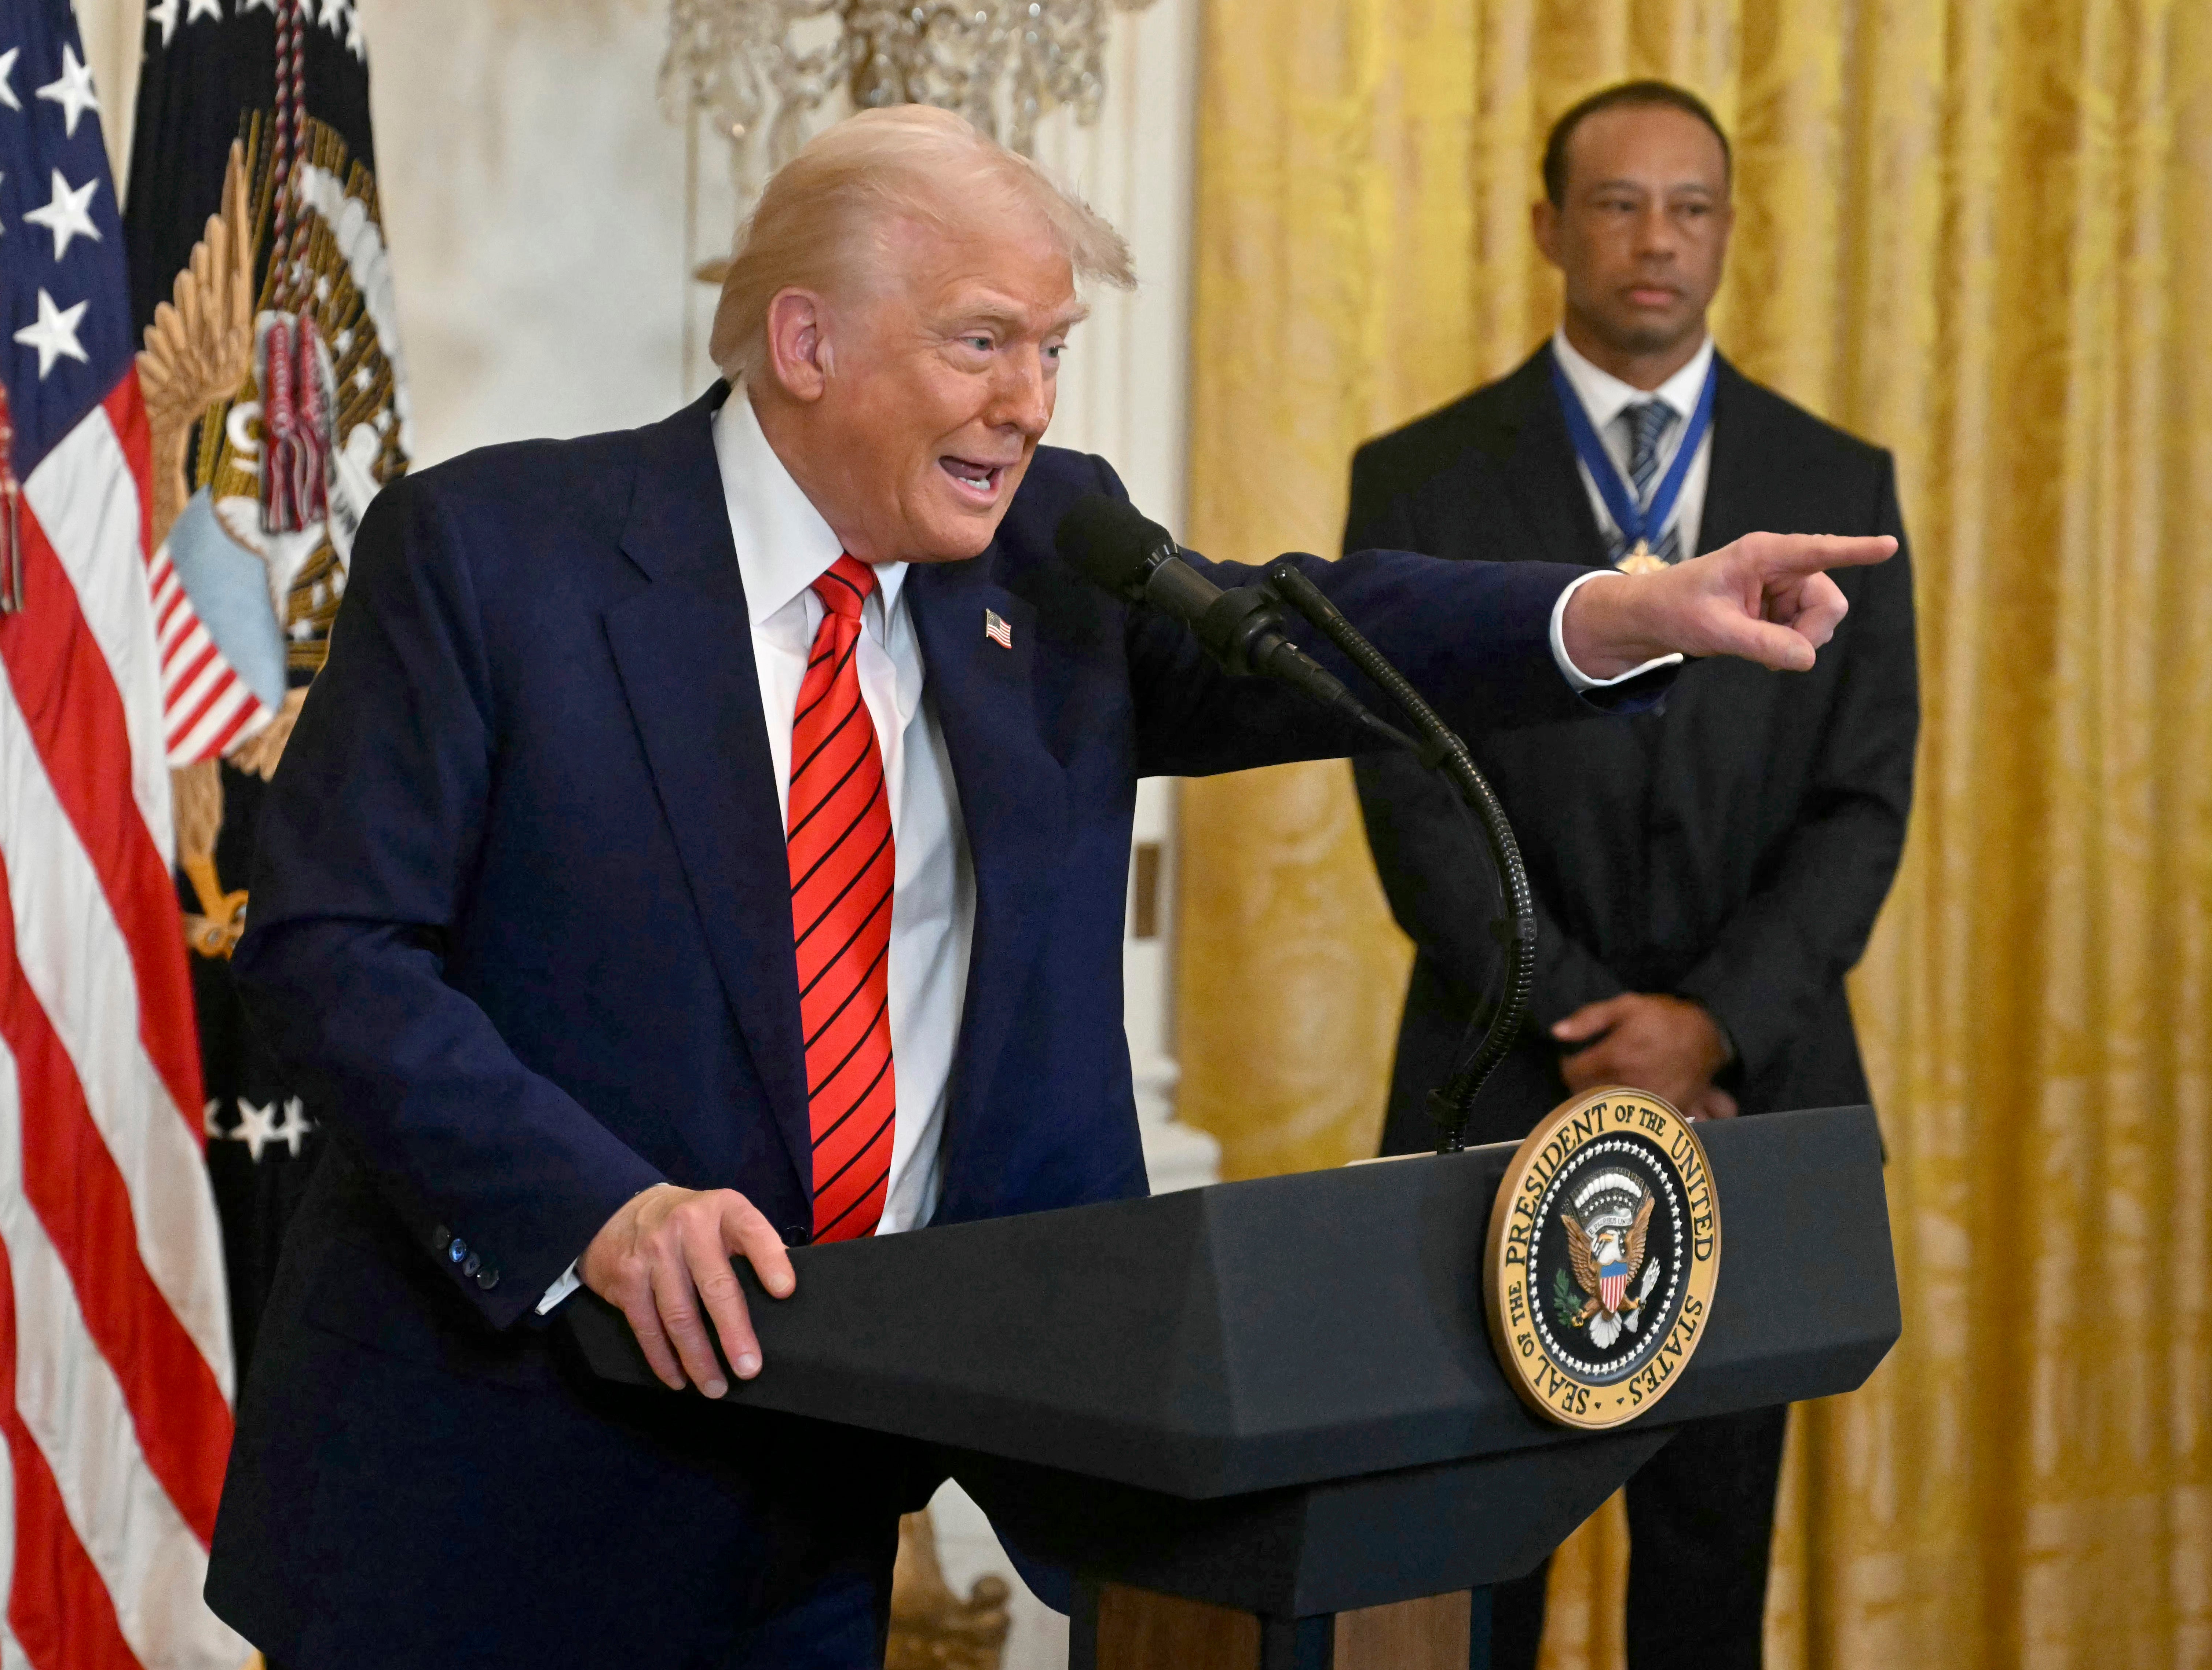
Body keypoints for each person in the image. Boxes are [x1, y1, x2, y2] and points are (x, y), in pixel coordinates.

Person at [204, 103, 1894, 1669]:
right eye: (982, 341)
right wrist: (597, 1209)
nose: (1029, 401)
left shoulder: (1047, 559)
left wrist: (1618, 613)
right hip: (502, 1476)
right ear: (805, 342)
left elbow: (1315, 624)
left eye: (1052, 349)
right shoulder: (498, 555)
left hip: (825, 1475)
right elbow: (334, 949)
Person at [1346, 81, 1919, 1670]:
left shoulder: (1838, 481)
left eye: (1690, 207)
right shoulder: (1420, 477)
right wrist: (1595, 1018)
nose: (1655, 239)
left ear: (1728, 232)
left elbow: (1863, 800)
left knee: (1708, 1574)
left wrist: (1709, 1023)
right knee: (1473, 1577)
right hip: (1499, 1083)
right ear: (1548, 227)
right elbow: (1412, 797)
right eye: (1616, 203)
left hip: (1750, 1103)